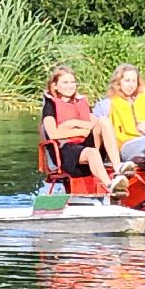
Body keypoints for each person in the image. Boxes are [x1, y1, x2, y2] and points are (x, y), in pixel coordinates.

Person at [41, 64, 130, 194]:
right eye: (65, 82)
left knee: (104, 121)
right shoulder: (50, 106)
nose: (70, 86)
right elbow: (53, 133)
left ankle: (117, 167)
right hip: (66, 151)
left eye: (72, 82)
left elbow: (94, 124)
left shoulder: (81, 102)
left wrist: (72, 123)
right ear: (55, 86)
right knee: (91, 152)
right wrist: (80, 129)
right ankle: (110, 186)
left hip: (86, 144)